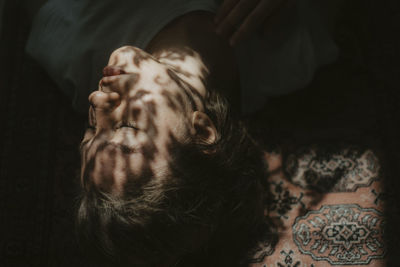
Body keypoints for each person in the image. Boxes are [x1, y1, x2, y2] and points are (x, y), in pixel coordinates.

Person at [25, 0, 340, 265]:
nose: (98, 100)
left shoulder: (71, 40)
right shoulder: (287, 48)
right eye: (126, 126)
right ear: (202, 131)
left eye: (91, 127)